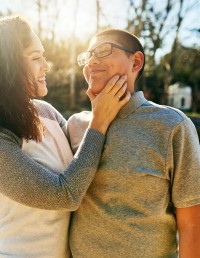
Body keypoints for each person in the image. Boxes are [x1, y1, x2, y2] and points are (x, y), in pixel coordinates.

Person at [0, 16, 130, 258]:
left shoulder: (46, 112)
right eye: (36, 57)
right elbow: (65, 195)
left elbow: (85, 152)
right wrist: (99, 120)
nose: (47, 65)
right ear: (8, 65)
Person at [67, 29, 200, 258]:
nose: (92, 61)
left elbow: (191, 224)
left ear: (136, 61)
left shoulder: (172, 125)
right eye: (87, 55)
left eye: (103, 50)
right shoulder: (75, 125)